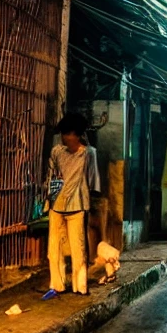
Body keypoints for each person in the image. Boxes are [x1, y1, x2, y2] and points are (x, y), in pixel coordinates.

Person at [46, 112, 100, 295]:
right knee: (54, 248)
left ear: (78, 135)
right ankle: (56, 284)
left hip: (77, 205)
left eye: (70, 133)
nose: (66, 138)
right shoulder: (57, 152)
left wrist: (91, 201)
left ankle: (80, 285)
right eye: (64, 133)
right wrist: (49, 198)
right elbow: (52, 176)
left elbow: (93, 180)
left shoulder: (88, 154)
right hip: (56, 204)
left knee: (78, 247)